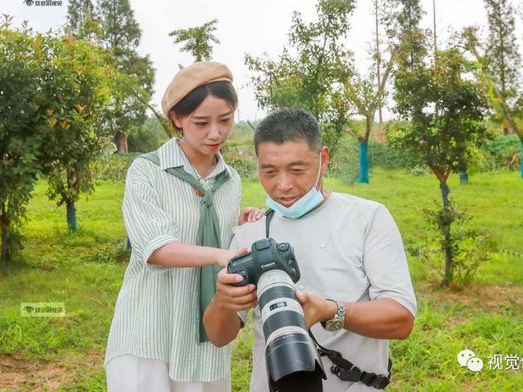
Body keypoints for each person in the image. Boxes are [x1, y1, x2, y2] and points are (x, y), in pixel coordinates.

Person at [204, 109, 417, 391]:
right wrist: (223, 300)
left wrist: (329, 311)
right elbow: (219, 336)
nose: (283, 185)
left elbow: (401, 320)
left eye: (297, 170)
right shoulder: (249, 233)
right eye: (269, 171)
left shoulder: (367, 219)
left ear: (323, 159)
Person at [105, 62, 261, 392]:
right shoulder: (147, 171)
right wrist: (221, 253)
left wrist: (237, 224)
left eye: (226, 119)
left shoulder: (230, 180)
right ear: (177, 119)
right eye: (201, 123)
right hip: (150, 327)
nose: (216, 133)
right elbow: (157, 248)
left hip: (202, 332)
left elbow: (206, 232)